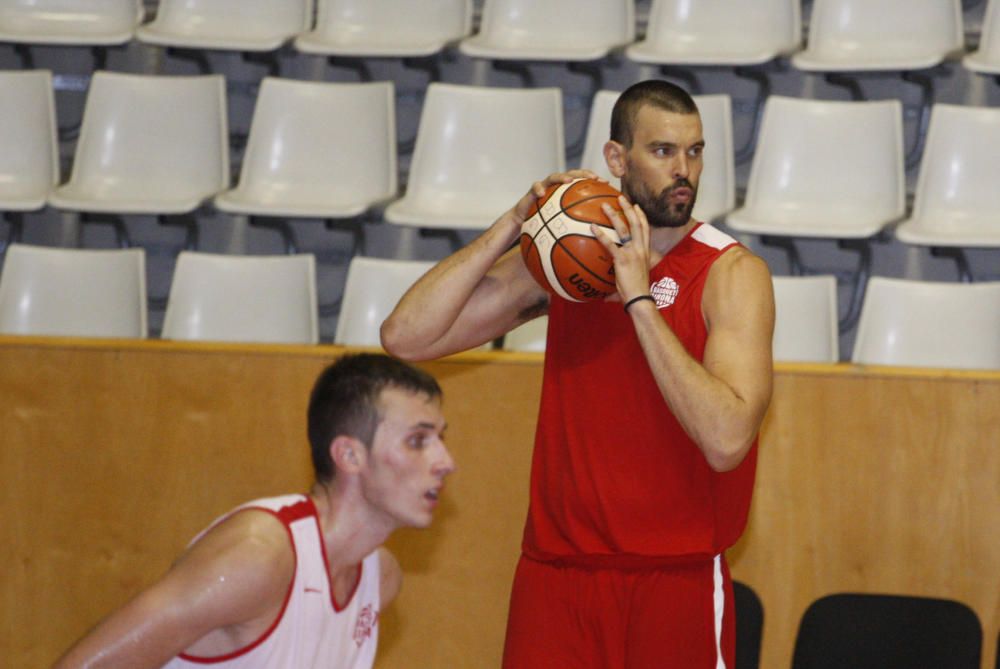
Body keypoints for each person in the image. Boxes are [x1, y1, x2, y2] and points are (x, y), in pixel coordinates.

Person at [380, 79, 775, 668]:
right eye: (663, 151)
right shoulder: (571, 263)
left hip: (673, 579)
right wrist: (513, 225)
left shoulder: (731, 272)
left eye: (694, 151)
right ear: (617, 158)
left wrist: (640, 301)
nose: (683, 169)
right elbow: (406, 336)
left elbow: (726, 441)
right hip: (556, 574)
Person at [54, 353, 455, 669]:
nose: (445, 461)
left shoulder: (380, 577)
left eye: (440, 438)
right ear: (349, 454)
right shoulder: (259, 555)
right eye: (418, 441)